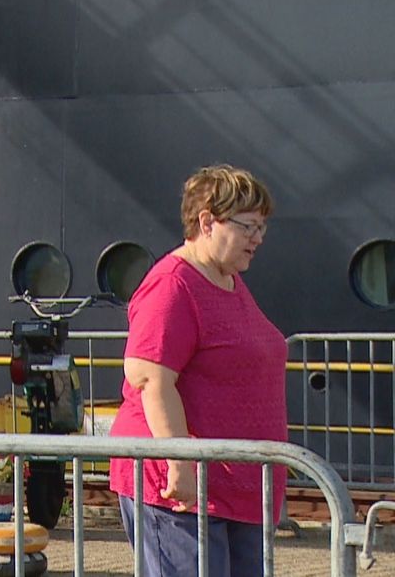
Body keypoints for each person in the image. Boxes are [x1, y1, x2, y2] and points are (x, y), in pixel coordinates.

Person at [109, 164, 284, 576]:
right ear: (207, 221)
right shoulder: (173, 284)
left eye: (262, 228)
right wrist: (180, 462)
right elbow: (149, 377)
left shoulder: (228, 279)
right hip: (184, 492)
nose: (257, 239)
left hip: (236, 490)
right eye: (247, 227)